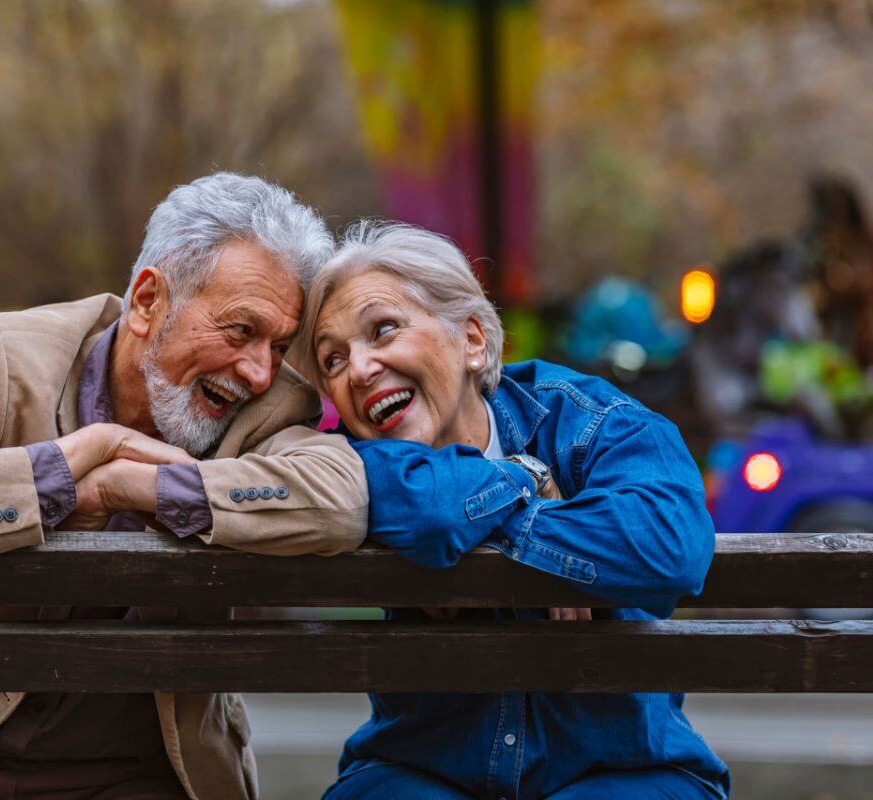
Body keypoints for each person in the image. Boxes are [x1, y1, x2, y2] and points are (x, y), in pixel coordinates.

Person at [0, 173, 369, 800]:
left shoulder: (272, 406)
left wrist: (143, 488)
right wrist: (77, 461)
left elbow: (341, 501)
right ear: (148, 301)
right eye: (239, 331)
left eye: (279, 345)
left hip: (137, 773)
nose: (258, 371)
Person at [303, 221, 730, 800]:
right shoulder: (346, 462)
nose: (357, 369)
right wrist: (523, 479)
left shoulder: (588, 419)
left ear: (473, 340)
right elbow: (431, 517)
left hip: (620, 774)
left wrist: (499, 521)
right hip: (421, 772)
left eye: (383, 330)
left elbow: (672, 543)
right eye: (332, 361)